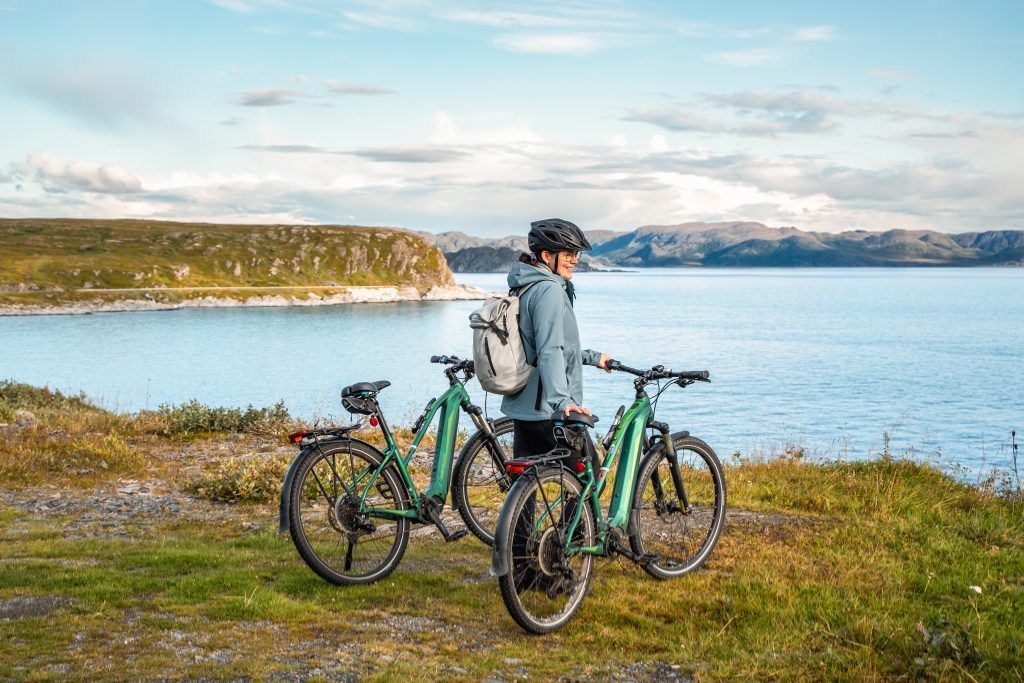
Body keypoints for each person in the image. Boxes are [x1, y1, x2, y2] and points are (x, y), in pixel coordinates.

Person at [501, 218, 612, 465]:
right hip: (549, 411)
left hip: (524, 406)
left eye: (576, 254)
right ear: (546, 255)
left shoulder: (525, 285)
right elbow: (549, 349)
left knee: (525, 488)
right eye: (568, 254)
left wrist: (594, 358)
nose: (574, 260)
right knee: (588, 479)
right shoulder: (550, 290)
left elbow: (546, 344)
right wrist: (562, 402)